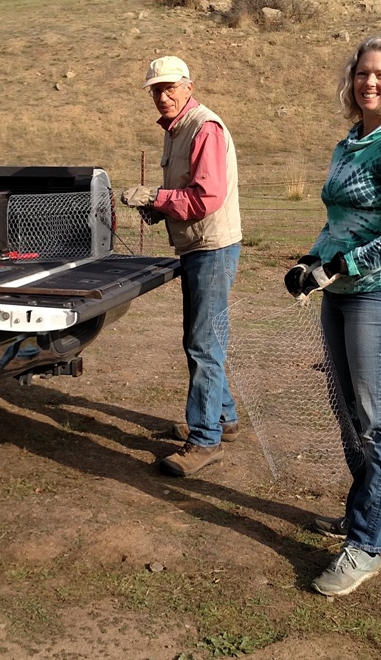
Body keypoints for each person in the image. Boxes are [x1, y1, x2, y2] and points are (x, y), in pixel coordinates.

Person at [284, 35, 381, 597]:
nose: (370, 83)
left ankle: (370, 544)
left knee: (378, 421)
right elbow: (340, 219)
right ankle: (364, 516)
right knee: (350, 417)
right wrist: (313, 260)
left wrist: (340, 264)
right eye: (363, 73)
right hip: (342, 295)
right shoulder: (350, 144)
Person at [120, 56, 242, 477]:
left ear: (189, 86)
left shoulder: (203, 127)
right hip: (199, 245)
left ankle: (205, 438)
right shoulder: (176, 130)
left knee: (202, 343)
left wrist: (156, 199)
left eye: (170, 86)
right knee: (205, 337)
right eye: (156, 89)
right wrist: (162, 209)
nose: (163, 95)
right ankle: (221, 418)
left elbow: (206, 197)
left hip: (211, 246)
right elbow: (187, 194)